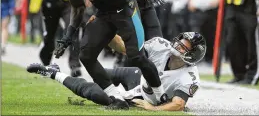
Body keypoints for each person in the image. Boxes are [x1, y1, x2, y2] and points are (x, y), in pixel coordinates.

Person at [38, 0, 169, 108]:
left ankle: (160, 96)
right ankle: (117, 99)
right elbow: (77, 8)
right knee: (86, 55)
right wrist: (68, 36)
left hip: (124, 7)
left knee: (136, 57)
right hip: (103, 13)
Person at [27, 32, 206, 111]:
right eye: (180, 41)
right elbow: (128, 49)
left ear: (192, 55)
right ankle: (56, 68)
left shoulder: (189, 76)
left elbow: (178, 104)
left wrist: (153, 108)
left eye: (184, 47)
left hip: (142, 95)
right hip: (139, 76)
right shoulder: (161, 45)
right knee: (99, 74)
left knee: (98, 94)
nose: (178, 45)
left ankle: (52, 73)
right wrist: (108, 32)